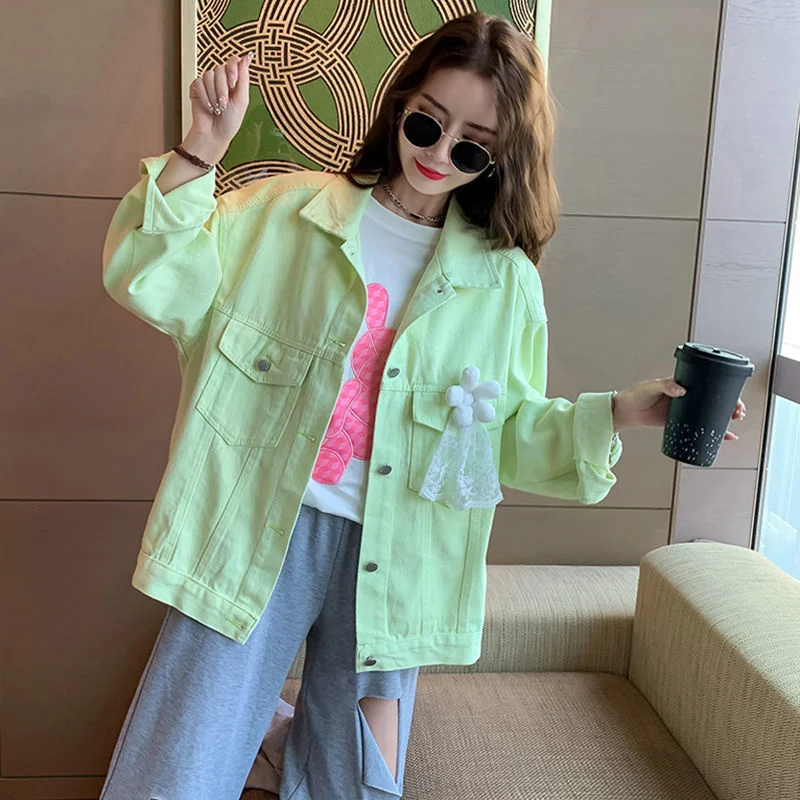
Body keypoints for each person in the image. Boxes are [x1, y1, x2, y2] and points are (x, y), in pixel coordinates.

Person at [97, 11, 746, 800]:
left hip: (399, 552)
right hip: (252, 525)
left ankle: (280, 748)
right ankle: (272, 743)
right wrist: (200, 149)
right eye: (427, 125)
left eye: (471, 146)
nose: (439, 156)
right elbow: (152, 281)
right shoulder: (282, 216)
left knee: (358, 781)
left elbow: (506, 435)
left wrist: (619, 412)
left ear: (502, 159)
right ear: (401, 103)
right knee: (175, 767)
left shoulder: (502, 283)